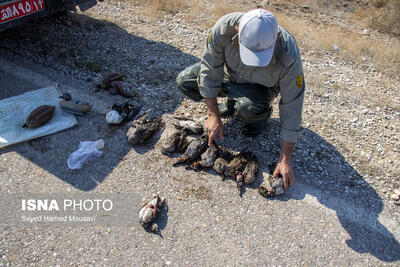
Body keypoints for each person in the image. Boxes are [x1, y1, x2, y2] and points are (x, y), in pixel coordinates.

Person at [176, 9, 305, 190]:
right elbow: (210, 69)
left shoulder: (288, 55)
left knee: (250, 109)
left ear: (277, 36)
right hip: (229, 76)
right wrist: (212, 113)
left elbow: (293, 105)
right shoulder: (223, 29)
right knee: (185, 81)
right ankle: (230, 106)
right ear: (237, 29)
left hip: (262, 88)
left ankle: (257, 116)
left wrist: (285, 159)